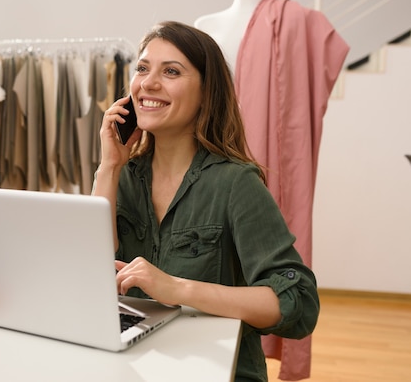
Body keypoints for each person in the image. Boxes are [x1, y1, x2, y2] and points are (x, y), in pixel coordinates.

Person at [92, 21, 319, 382]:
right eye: (142, 68)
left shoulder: (235, 182)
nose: (148, 83)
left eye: (171, 72)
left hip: (216, 370)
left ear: (206, 92)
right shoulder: (124, 175)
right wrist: (109, 166)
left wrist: (177, 288)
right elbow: (90, 271)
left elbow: (300, 303)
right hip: (134, 366)